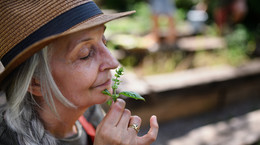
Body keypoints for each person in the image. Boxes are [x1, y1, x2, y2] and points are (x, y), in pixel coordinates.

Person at [0, 0, 159, 145]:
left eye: (105, 41)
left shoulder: (90, 115)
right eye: (85, 53)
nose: (112, 62)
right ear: (35, 81)